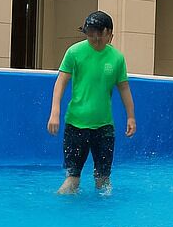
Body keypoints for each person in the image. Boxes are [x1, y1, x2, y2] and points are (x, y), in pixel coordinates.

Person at [46, 11, 136, 194]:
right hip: (75, 125)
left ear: (110, 34)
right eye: (90, 34)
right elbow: (61, 82)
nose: (94, 38)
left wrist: (131, 117)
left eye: (98, 34)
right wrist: (55, 112)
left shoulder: (117, 58)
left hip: (104, 127)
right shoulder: (75, 52)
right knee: (72, 178)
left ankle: (104, 218)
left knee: (103, 180)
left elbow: (124, 88)